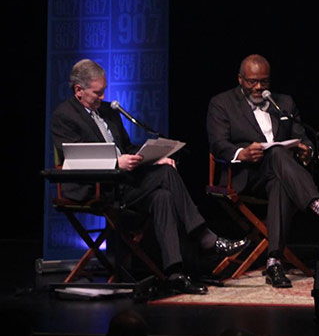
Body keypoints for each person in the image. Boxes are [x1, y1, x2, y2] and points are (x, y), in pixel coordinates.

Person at [51, 59, 248, 295]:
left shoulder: (107, 112)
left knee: (163, 195)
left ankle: (174, 273)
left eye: (104, 91)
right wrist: (116, 163)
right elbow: (76, 159)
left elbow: (127, 146)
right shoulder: (64, 116)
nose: (102, 97)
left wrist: (153, 158)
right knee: (165, 175)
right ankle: (205, 237)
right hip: (94, 186)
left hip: (122, 182)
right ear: (78, 91)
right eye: (97, 93)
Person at [207, 54, 319, 288]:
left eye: (263, 82)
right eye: (252, 81)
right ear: (240, 79)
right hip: (245, 175)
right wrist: (241, 153)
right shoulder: (222, 103)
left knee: (279, 176)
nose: (258, 87)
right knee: (277, 156)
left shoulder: (283, 103)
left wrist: (306, 149)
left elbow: (301, 136)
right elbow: (218, 143)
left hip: (281, 175)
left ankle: (274, 262)